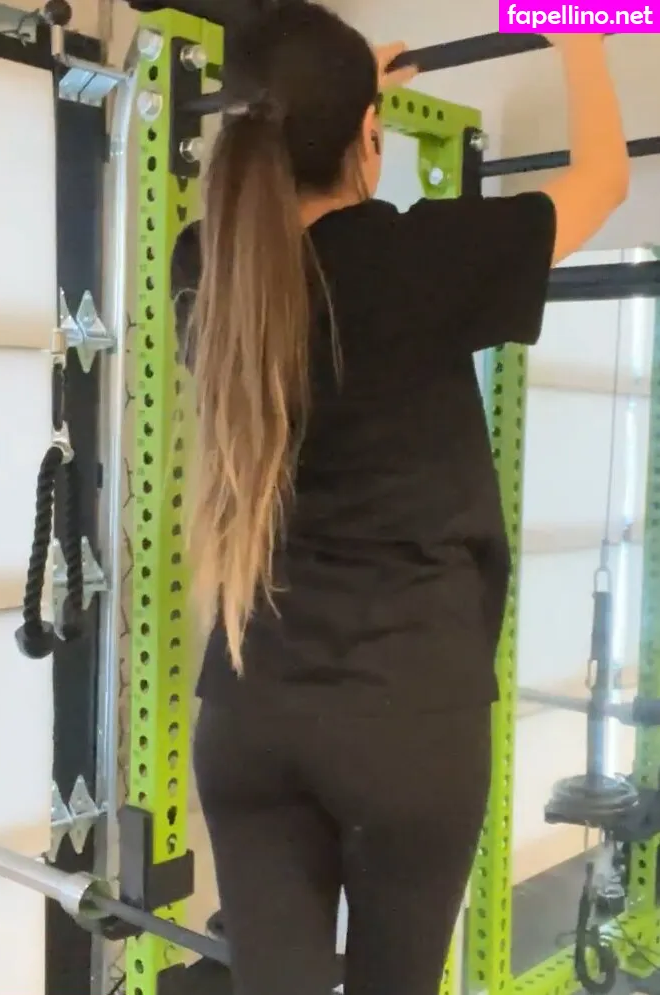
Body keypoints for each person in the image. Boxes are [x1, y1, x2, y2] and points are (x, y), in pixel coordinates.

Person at [170, 5, 629, 994]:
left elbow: (288, 186)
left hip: (251, 716)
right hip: (408, 717)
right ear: (367, 142)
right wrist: (581, 36)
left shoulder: (207, 264)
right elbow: (603, 180)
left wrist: (341, 106)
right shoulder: (422, 260)